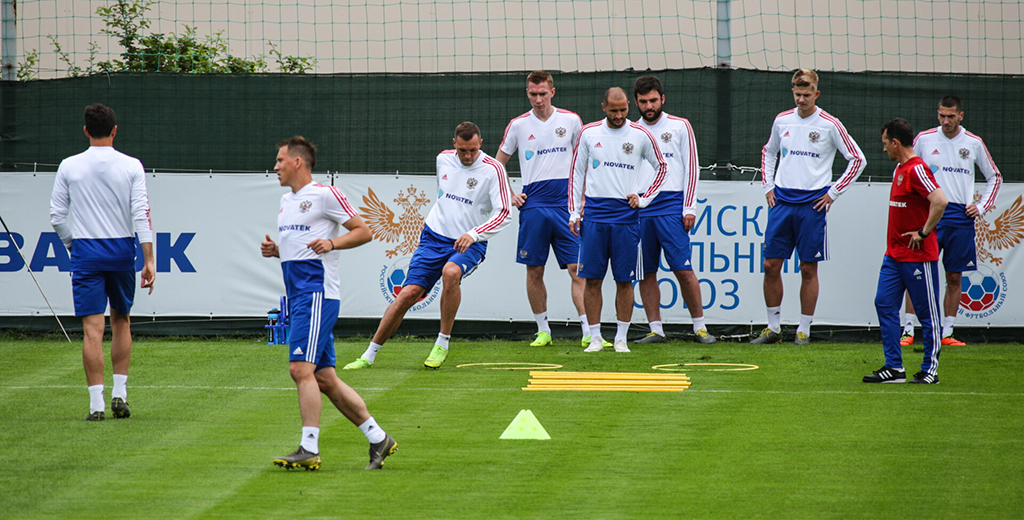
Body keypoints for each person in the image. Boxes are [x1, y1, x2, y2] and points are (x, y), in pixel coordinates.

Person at [261, 136, 396, 470]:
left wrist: (333, 243)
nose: (275, 167)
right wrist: (278, 251)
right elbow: (300, 246)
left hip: (316, 295)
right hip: (300, 296)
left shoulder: (325, 194)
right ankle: (379, 438)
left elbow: (364, 231)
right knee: (324, 378)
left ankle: (309, 448)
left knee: (299, 369)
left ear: (298, 162)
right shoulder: (286, 200)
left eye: (280, 160)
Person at [344, 122, 512, 370]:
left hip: (470, 241)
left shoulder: (493, 169)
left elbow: (505, 213)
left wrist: (474, 234)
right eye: (463, 150)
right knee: (407, 294)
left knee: (450, 273)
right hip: (433, 238)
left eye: (473, 150)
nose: (468, 156)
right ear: (454, 144)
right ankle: (368, 355)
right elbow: (444, 199)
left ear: (481, 144)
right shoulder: (443, 159)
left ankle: (442, 343)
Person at [49, 103, 155, 422]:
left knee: (92, 329)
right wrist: (149, 259)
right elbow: (141, 214)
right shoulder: (131, 165)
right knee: (121, 320)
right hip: (121, 250)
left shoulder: (69, 165)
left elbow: (56, 216)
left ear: (85, 130)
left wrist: (74, 246)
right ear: (114, 130)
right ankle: (119, 394)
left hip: (86, 252)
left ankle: (96, 405)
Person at [754, 69, 866, 345]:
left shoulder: (830, 124)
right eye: (797, 94)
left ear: (817, 94)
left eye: (806, 95)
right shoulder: (782, 120)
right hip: (782, 201)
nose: (801, 99)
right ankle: (773, 328)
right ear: (792, 92)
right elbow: (769, 151)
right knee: (771, 264)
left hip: (812, 204)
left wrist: (833, 192)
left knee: (808, 268)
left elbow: (857, 159)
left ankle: (803, 329)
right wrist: (768, 186)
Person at [495, 70, 598, 348]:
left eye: (542, 93)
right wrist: (510, 195)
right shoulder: (518, 125)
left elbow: (584, 161)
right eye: (533, 94)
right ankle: (543, 330)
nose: (538, 99)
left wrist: (583, 198)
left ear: (552, 92)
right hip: (535, 206)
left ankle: (588, 330)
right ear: (527, 93)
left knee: (577, 268)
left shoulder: (571, 120)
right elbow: (497, 164)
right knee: (534, 270)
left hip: (566, 205)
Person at [569, 87, 667, 353]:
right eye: (614, 110)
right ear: (604, 107)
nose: (619, 115)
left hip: (626, 218)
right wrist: (574, 212)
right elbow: (576, 174)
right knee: (592, 280)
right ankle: (596, 338)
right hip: (594, 217)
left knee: (624, 280)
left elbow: (662, 167)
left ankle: (621, 338)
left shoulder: (640, 134)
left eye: (623, 110)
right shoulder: (589, 133)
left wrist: (644, 198)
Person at [899, 96, 1002, 348]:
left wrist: (981, 207)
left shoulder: (973, 142)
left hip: (960, 217)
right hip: (929, 215)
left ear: (961, 116)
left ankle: (947, 332)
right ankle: (908, 330)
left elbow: (995, 177)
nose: (946, 121)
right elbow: (903, 168)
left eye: (951, 116)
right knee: (917, 272)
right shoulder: (924, 139)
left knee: (954, 276)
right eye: (942, 116)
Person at [631, 75, 716, 345]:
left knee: (683, 269)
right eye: (643, 101)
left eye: (653, 100)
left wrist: (689, 207)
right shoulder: (631, 131)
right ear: (636, 102)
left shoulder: (680, 126)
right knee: (646, 271)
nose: (649, 106)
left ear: (663, 99)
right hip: (640, 208)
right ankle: (656, 329)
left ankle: (700, 327)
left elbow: (692, 168)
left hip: (671, 205)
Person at [865, 118, 947, 384]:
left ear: (895, 142)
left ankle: (930, 370)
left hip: (918, 257)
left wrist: (923, 232)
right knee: (883, 303)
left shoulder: (917, 169)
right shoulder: (900, 169)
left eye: (885, 143)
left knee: (927, 313)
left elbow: (940, 201)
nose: (884, 148)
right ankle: (894, 367)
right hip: (893, 255)